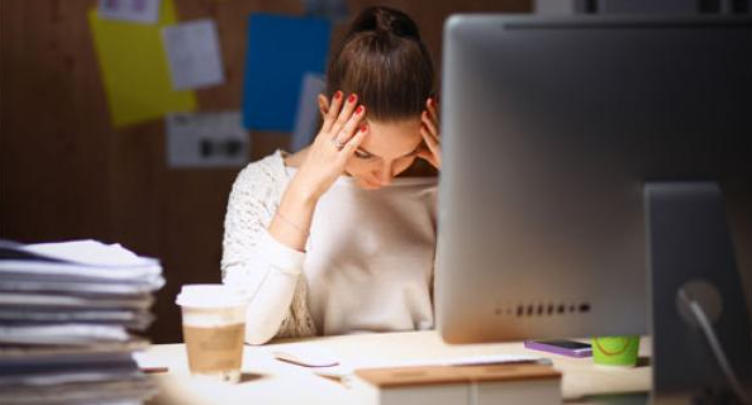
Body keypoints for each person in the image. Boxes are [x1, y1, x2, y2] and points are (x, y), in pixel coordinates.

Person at [221, 6, 442, 345]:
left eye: (405, 156)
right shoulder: (261, 185)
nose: (385, 176)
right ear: (327, 112)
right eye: (364, 153)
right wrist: (304, 192)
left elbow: (501, 316)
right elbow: (249, 328)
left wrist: (466, 190)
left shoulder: (442, 185)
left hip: (421, 375)